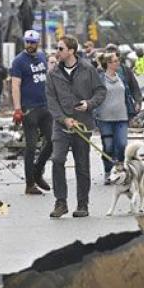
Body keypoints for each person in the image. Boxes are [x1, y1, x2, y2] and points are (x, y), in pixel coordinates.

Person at [46, 35, 106, 218]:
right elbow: (51, 100)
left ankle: (82, 204)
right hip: (61, 125)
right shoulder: (53, 73)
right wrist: (64, 119)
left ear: (71, 51)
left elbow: (101, 91)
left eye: (61, 49)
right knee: (57, 160)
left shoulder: (88, 69)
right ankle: (61, 202)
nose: (57, 52)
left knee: (82, 164)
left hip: (83, 124)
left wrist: (89, 104)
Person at [11, 30, 53, 195]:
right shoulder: (19, 62)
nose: (29, 45)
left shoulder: (42, 56)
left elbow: (48, 79)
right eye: (27, 42)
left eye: (32, 42)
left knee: (52, 141)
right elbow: (15, 85)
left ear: (38, 42)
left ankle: (37, 170)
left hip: (45, 106)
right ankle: (30, 184)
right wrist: (17, 109)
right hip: (29, 109)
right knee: (31, 146)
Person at [96, 51, 131, 185]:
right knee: (108, 147)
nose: (118, 63)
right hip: (105, 118)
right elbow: (95, 95)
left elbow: (128, 93)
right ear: (109, 64)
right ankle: (107, 171)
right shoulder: (100, 79)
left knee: (122, 144)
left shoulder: (122, 76)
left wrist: (133, 106)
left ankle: (120, 169)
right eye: (115, 61)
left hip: (121, 116)